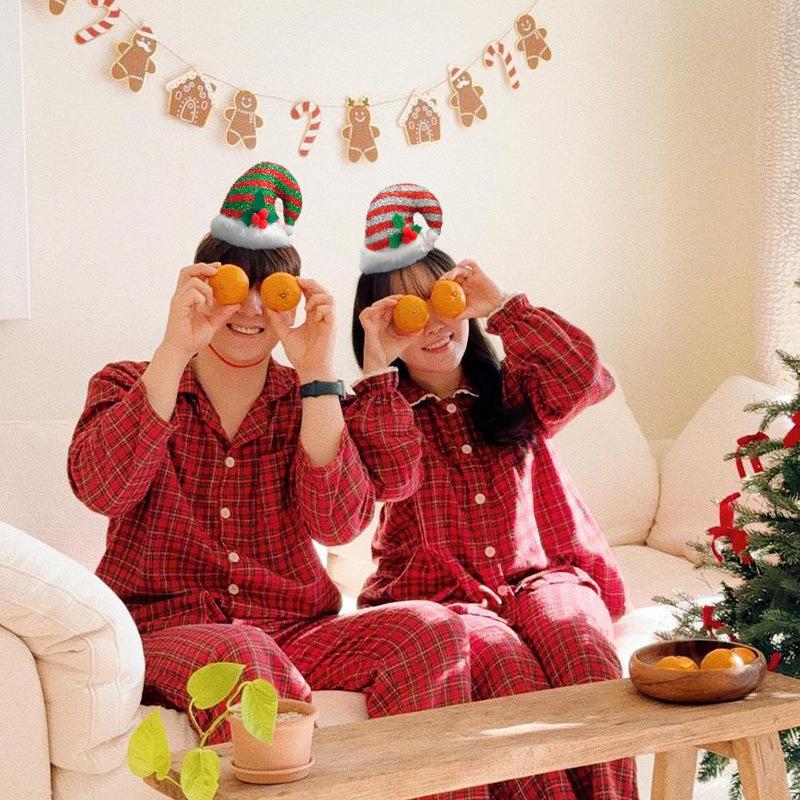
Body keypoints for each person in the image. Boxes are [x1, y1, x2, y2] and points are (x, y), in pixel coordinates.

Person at [69, 165, 484, 800]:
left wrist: (318, 372)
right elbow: (103, 488)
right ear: (203, 292)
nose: (256, 308)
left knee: (433, 630)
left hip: (296, 627)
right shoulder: (130, 383)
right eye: (239, 286)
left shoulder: (306, 399)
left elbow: (338, 525)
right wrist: (173, 349)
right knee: (244, 659)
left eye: (276, 289)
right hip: (164, 628)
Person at [349, 183, 639, 799]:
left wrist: (501, 304)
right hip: (445, 601)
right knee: (507, 671)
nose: (430, 325)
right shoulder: (377, 410)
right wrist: (377, 368)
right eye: (407, 312)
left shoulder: (516, 388)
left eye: (442, 300)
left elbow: (582, 374)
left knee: (583, 650)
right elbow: (385, 472)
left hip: (546, 576)